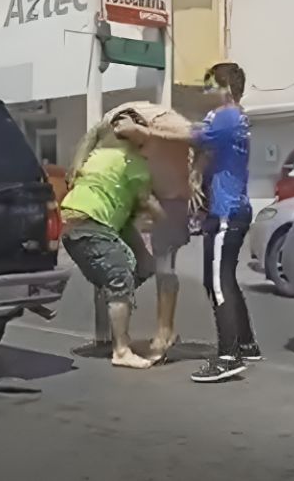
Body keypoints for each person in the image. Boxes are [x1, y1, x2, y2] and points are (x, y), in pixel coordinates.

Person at [120, 62, 261, 383]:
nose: (204, 91)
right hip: (231, 208)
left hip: (227, 211)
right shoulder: (235, 119)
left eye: (209, 84)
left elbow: (187, 135)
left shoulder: (225, 116)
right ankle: (247, 343)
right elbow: (207, 152)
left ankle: (227, 357)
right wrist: (198, 177)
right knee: (225, 278)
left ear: (225, 88)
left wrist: (144, 131)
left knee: (217, 283)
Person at [66, 102, 200, 361]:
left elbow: (200, 138)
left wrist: (193, 177)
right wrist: (77, 162)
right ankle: (118, 341)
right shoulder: (128, 149)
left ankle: (154, 326)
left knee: (153, 265)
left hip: (157, 201)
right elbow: (93, 134)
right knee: (120, 272)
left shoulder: (158, 123)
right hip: (116, 210)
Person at [60, 113, 164, 369]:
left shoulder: (98, 154)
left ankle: (117, 298)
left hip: (80, 222)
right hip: (90, 223)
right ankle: (121, 349)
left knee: (145, 265)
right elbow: (147, 203)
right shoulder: (134, 163)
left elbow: (125, 206)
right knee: (120, 276)